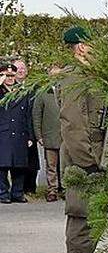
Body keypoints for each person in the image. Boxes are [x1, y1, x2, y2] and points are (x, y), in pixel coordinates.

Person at [58, 27, 108, 253]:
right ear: (80, 47)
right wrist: (88, 162)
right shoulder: (74, 77)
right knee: (81, 215)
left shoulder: (89, 75)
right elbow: (73, 123)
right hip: (84, 160)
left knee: (93, 215)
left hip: (95, 156)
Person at [0, 62, 34, 203]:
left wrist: (30, 135)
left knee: (19, 166)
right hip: (4, 133)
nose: (10, 78)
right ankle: (3, 194)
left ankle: (17, 193)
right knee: (2, 166)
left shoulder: (22, 91)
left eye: (12, 76)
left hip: (20, 133)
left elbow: (28, 114)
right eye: (6, 76)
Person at [32, 66, 64, 202]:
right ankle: (52, 191)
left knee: (65, 166)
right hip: (49, 135)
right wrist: (39, 135)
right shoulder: (43, 93)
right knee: (51, 166)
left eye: (59, 76)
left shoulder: (67, 91)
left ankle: (66, 190)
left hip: (65, 136)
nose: (56, 78)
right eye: (54, 76)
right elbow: (36, 115)